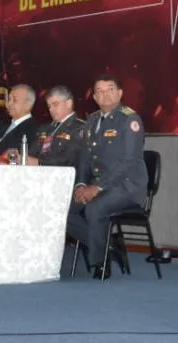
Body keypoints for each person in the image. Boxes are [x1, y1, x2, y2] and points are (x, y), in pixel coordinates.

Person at [65, 75, 147, 279]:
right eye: (99, 91)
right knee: (65, 211)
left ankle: (99, 264)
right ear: (94, 96)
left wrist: (98, 187)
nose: (105, 94)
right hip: (99, 186)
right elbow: (84, 158)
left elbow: (129, 162)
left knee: (95, 208)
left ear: (120, 93)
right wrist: (81, 185)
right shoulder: (92, 120)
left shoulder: (130, 119)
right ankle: (108, 246)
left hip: (127, 187)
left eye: (110, 89)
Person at [27, 85, 86, 168]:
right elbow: (31, 153)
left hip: (65, 178)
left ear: (68, 103)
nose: (50, 109)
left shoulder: (80, 128)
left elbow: (69, 159)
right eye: (49, 106)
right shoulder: (45, 128)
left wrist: (39, 163)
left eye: (55, 104)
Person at [0, 84, 39, 160]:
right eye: (9, 100)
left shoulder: (32, 129)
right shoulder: (5, 127)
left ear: (27, 105)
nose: (9, 103)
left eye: (14, 100)